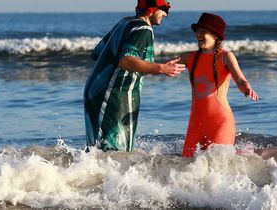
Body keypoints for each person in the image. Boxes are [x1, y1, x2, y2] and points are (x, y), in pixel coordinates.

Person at [84, 0, 186, 152]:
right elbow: (126, 60)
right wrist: (160, 68)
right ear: (152, 8)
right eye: (164, 8)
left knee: (96, 151)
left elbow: (98, 52)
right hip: (114, 95)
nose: (165, 14)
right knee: (117, 151)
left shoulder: (125, 22)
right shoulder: (144, 29)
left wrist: (158, 66)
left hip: (95, 90)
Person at [178, 13, 259, 157]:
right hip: (196, 124)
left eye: (203, 31)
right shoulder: (188, 57)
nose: (198, 34)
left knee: (218, 167)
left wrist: (246, 88)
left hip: (220, 122)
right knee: (186, 165)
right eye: (197, 31)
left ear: (215, 35)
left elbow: (240, 80)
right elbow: (162, 67)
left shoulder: (226, 57)